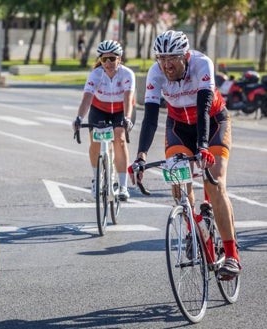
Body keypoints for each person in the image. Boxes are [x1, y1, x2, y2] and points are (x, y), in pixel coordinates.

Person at [128, 30, 241, 278]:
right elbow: (149, 118)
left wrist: (202, 148)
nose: (166, 64)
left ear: (185, 55)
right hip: (179, 127)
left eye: (172, 58)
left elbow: (203, 109)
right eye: (161, 58)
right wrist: (141, 157)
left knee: (215, 182)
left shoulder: (202, 64)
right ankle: (195, 228)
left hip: (212, 123)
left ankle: (232, 255)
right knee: (179, 184)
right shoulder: (156, 72)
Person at [73, 40, 135, 201]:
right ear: (100, 60)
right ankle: (96, 179)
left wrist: (127, 118)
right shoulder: (95, 74)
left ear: (119, 59)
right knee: (95, 141)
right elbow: (87, 98)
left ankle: (122, 186)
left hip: (121, 110)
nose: (108, 63)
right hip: (99, 110)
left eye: (112, 59)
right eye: (104, 59)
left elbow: (128, 99)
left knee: (120, 139)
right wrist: (79, 117)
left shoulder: (127, 74)